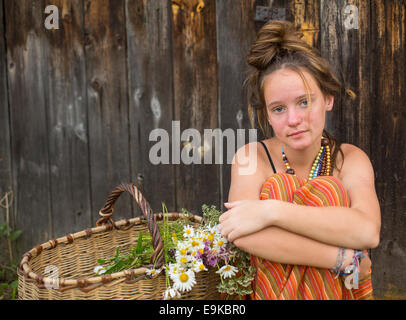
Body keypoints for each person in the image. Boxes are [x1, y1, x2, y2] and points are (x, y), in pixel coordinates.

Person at [218, 20, 381, 300]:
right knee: (278, 185)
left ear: (328, 98)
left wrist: (272, 212)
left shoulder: (350, 159)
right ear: (267, 115)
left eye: (305, 102)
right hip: (270, 292)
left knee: (330, 190)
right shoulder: (252, 158)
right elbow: (240, 232)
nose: (293, 120)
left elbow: (367, 231)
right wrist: (340, 259)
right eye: (279, 109)